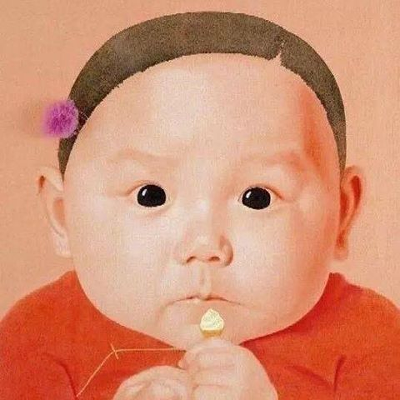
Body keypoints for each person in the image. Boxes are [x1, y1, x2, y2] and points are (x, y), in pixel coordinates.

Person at [0, 11, 399, 400]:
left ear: (342, 215)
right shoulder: (37, 339)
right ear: (62, 215)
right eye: (150, 195)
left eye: (258, 198)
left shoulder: (371, 341)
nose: (205, 246)